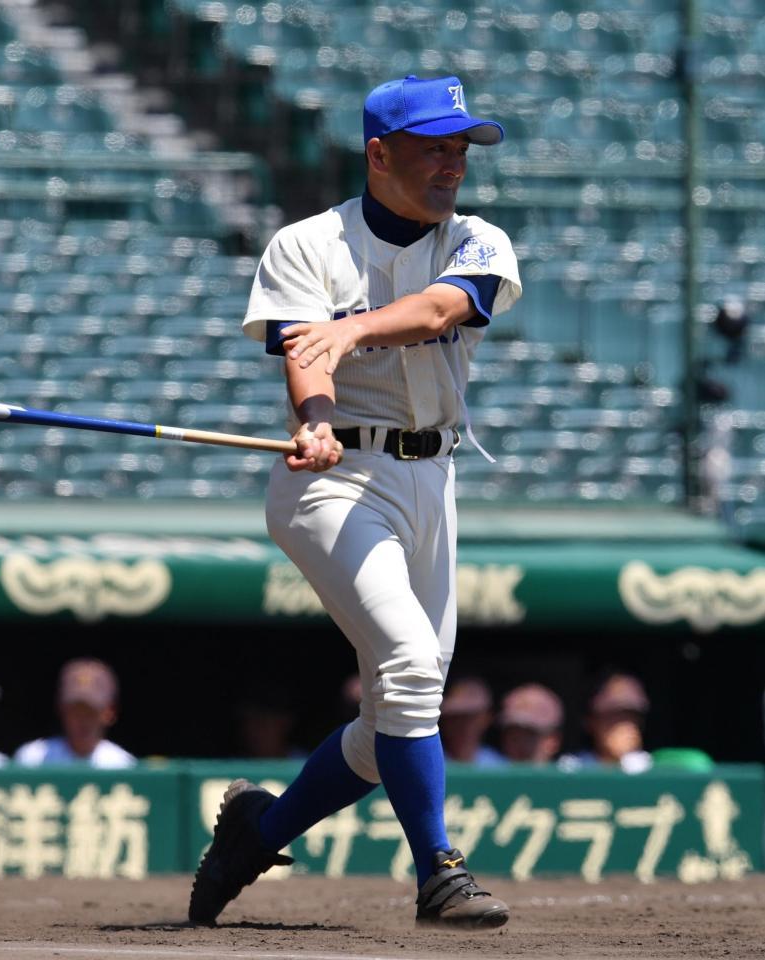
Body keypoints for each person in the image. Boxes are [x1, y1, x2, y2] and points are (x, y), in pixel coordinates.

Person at [189, 74, 521, 930]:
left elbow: (446, 306)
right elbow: (305, 352)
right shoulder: (307, 244)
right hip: (331, 484)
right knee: (410, 670)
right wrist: (316, 419)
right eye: (432, 147)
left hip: (431, 478)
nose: (452, 163)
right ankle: (438, 872)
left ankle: (256, 832)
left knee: (392, 725)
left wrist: (354, 329)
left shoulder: (476, 237)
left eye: (460, 148)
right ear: (379, 154)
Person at [14, 659, 134, 769]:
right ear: (61, 709)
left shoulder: (122, 765)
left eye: (90, 712)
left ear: (109, 712)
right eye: (75, 712)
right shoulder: (32, 758)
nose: (83, 721)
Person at [562, 673, 652, 774]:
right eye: (615, 717)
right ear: (591, 722)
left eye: (631, 717)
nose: (625, 727)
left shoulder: (652, 768)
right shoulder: (573, 768)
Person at [439, 677, 505, 766]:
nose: (461, 724)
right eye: (455, 717)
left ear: (486, 718)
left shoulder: (499, 767)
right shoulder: (430, 762)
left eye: (469, 718)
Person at [498, 683, 563, 765]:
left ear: (552, 740)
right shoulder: (490, 773)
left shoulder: (571, 775)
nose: (521, 743)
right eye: (513, 735)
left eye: (530, 734)